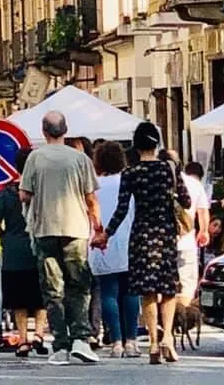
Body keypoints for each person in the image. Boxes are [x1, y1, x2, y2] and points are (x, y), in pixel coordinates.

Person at [92, 123, 190, 365]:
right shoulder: (169, 168)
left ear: (135, 147)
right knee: (167, 290)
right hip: (165, 234)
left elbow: (122, 209)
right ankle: (167, 337)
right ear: (157, 144)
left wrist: (107, 234)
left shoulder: (131, 173)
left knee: (147, 292)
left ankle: (154, 344)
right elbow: (186, 200)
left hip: (141, 235)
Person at [20, 111, 101, 365]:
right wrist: (98, 227)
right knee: (79, 286)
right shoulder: (80, 158)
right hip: (76, 229)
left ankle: (60, 345)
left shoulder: (35, 157)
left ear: (44, 132)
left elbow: (24, 194)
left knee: (53, 290)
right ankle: (81, 339)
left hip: (45, 229)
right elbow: (90, 198)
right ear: (65, 131)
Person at [0, 147, 49, 358]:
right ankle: (39, 335)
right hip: (38, 247)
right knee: (40, 296)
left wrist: (5, 236)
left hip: (13, 252)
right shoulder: (40, 189)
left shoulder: (7, 192)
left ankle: (23, 339)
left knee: (19, 300)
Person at [88, 141, 139, 359]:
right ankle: (132, 340)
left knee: (107, 292)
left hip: (101, 242)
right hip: (129, 240)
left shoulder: (94, 185)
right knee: (130, 291)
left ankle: (116, 341)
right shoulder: (129, 182)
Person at [167, 150, 210, 309]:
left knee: (162, 284)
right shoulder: (193, 183)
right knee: (188, 282)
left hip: (160, 242)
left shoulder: (152, 181)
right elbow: (203, 210)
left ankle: (166, 320)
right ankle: (181, 313)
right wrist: (204, 231)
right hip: (186, 240)